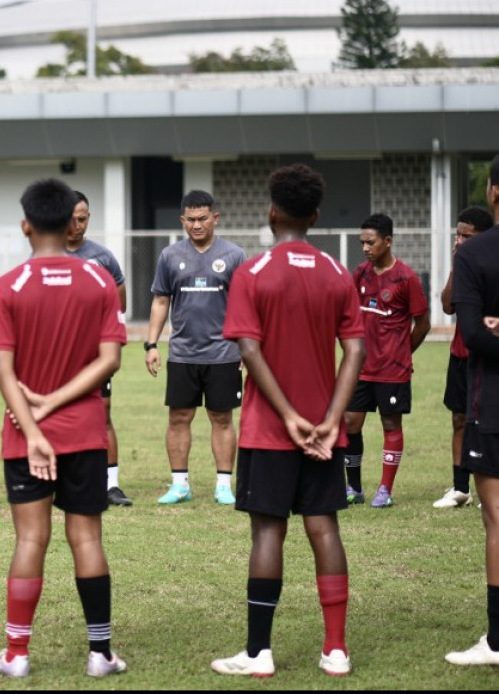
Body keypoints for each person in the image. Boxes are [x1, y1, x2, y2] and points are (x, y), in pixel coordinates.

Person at [212, 163, 364, 678]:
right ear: (316, 215)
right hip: (325, 431)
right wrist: (328, 420)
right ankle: (337, 650)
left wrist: (291, 418)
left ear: (272, 212)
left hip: (267, 429)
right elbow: (356, 350)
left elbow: (249, 351)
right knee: (324, 529)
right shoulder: (338, 273)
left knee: (267, 535)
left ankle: (259, 655)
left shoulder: (251, 273)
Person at [0, 178, 128, 680]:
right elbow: (109, 360)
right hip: (86, 432)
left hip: (24, 435)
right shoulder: (98, 281)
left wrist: (34, 425)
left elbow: (3, 371)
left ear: (26, 226)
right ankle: (100, 655)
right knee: (86, 537)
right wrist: (59, 403)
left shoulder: (7, 287)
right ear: (72, 224)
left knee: (30, 541)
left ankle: (17, 656)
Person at [143, 190, 246, 505]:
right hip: (183, 353)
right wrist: (151, 343)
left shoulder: (234, 256)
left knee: (222, 418)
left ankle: (224, 486)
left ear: (216, 218)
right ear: (182, 220)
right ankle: (180, 485)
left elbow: (245, 305)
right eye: (191, 219)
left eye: (203, 219)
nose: (197, 225)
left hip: (223, 354)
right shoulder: (170, 256)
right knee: (178, 417)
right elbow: (161, 300)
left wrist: (245, 347)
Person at [444, 153, 499, 666]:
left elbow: (474, 334)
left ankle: (498, 641)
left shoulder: (474, 253)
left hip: (494, 406)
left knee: (497, 520)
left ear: (493, 192)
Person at [341, 213, 430, 508]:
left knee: (390, 424)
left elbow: (423, 323)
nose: (365, 248)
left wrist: (403, 352)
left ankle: (385, 489)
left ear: (388, 241)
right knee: (350, 422)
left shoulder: (407, 278)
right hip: (361, 369)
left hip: (393, 370)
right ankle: (353, 487)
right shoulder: (360, 273)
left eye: (371, 242)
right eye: (362, 242)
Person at [64, 191, 132, 507]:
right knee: (58, 415)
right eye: (72, 218)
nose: (78, 225)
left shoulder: (102, 257)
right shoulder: (47, 255)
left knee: (101, 414)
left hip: (93, 356)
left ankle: (111, 484)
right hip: (58, 354)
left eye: (83, 218)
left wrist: (110, 340)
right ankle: (61, 481)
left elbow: (119, 302)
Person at [435, 206, 494, 509]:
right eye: (457, 234)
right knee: (459, 419)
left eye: (466, 236)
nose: (459, 240)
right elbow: (447, 306)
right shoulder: (464, 262)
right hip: (460, 355)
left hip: (486, 355)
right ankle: (461, 489)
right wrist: (458, 265)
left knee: (490, 422)